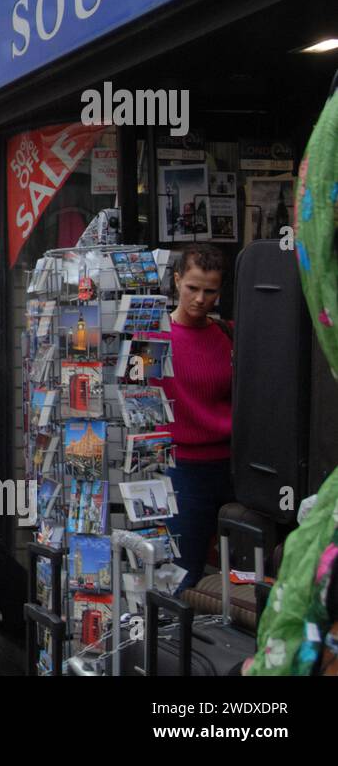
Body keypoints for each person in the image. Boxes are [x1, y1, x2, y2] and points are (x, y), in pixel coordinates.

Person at [146, 243, 234, 591]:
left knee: (241, 569)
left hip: (231, 466)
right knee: (182, 574)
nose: (200, 298)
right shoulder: (155, 338)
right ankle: (175, 643)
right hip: (182, 470)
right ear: (177, 280)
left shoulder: (227, 335)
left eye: (210, 291)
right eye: (192, 288)